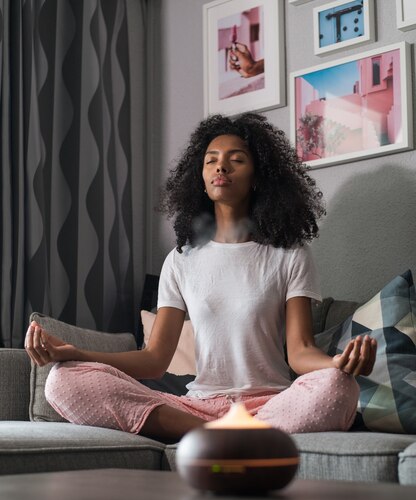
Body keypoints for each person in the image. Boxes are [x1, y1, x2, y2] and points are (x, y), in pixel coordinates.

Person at [25, 113, 377, 442]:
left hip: (270, 404)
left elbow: (300, 352)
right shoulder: (181, 260)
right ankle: (229, 435)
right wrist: (78, 353)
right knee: (62, 380)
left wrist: (336, 364)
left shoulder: (289, 253)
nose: (221, 165)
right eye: (211, 160)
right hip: (199, 406)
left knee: (339, 387)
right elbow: (154, 359)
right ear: (202, 178)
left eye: (236, 159)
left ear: (258, 177)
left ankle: (224, 436)